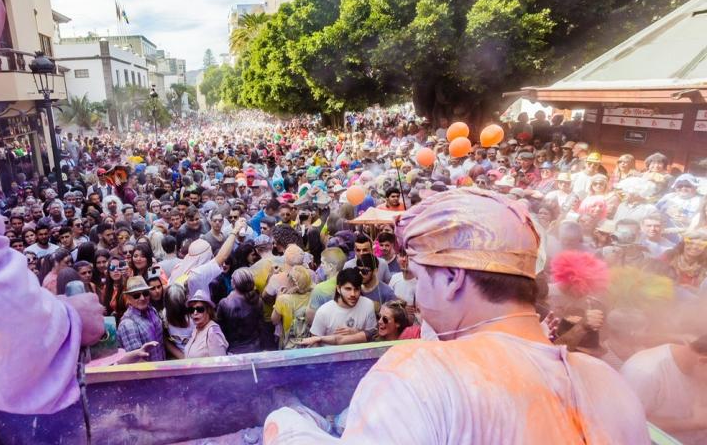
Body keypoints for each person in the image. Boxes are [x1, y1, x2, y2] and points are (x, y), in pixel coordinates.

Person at [264, 188, 649, 444]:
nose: (417, 295)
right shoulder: (607, 383)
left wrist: (288, 431)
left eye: (418, 275)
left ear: (451, 278)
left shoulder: (416, 373)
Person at [621, 335, 707, 443]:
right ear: (703, 361)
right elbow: (629, 425)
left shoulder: (696, 367)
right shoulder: (644, 373)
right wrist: (693, 423)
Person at [306, 269, 376, 345]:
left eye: (356, 289)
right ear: (338, 289)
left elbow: (373, 336)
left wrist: (357, 333)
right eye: (348, 289)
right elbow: (314, 342)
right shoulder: (323, 312)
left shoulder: (368, 305)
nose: (353, 294)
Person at [116, 277, 165, 362]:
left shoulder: (151, 310)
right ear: (128, 298)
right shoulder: (128, 324)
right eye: (136, 295)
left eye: (145, 293)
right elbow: (137, 361)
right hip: (150, 373)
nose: (142, 298)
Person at [216, 268, 264, 354]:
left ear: (234, 284)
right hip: (255, 348)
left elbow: (220, 329)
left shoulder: (224, 303)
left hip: (233, 350)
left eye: (232, 279)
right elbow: (260, 325)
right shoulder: (258, 301)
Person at [183, 290, 228, 358]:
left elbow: (220, 365)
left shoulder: (213, 332)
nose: (195, 313)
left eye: (200, 309)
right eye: (191, 310)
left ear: (208, 311)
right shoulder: (196, 329)